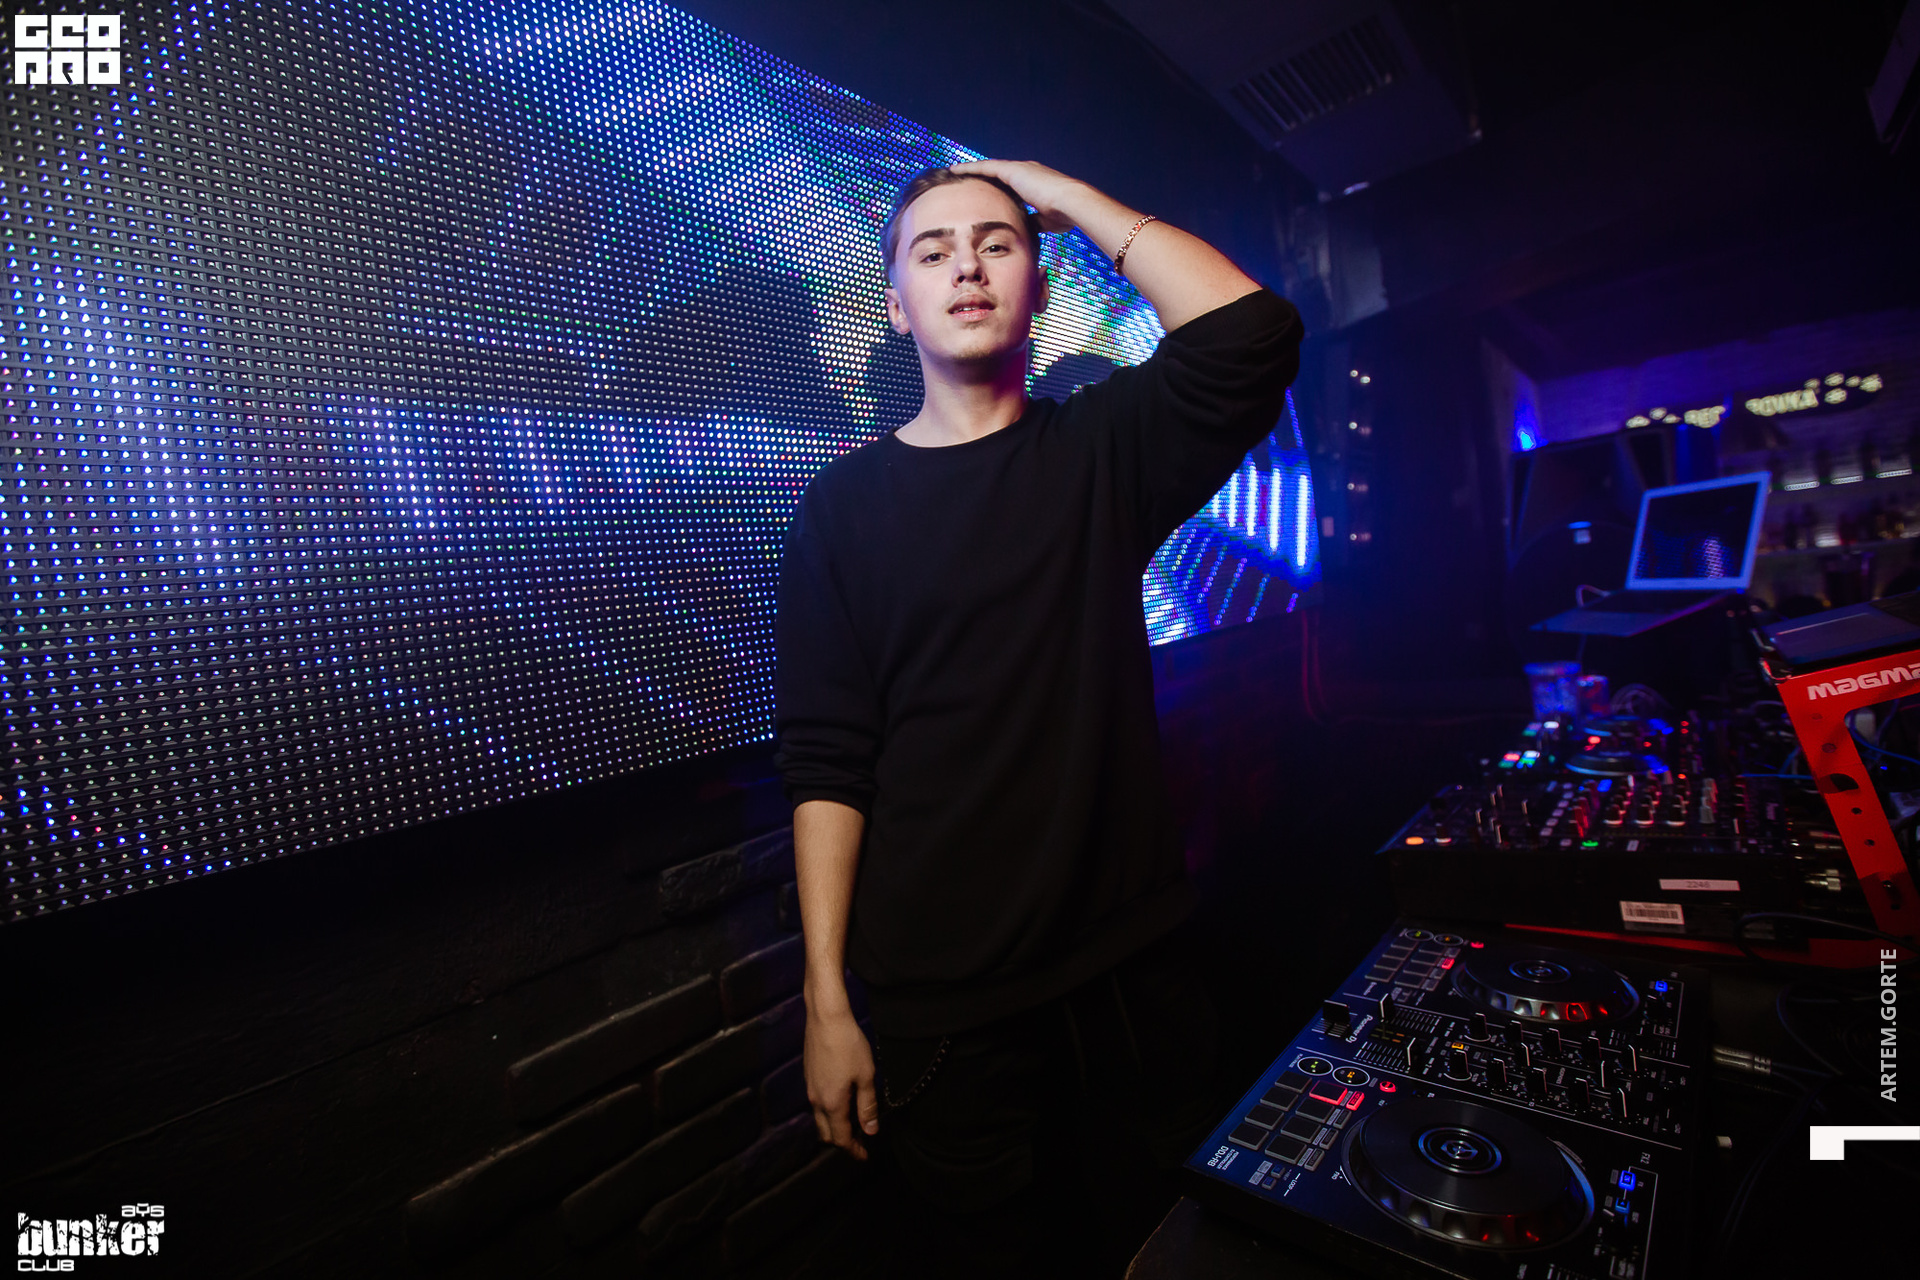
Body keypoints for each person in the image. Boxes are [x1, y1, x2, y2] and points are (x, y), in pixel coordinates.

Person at [773, 159, 1303, 1272]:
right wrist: (826, 1001)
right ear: (896, 304)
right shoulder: (840, 509)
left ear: (1040, 286)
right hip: (942, 1007)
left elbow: (1252, 335)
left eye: (997, 243)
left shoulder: (1097, 448)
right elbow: (828, 760)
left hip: (1132, 973)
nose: (966, 266)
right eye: (933, 251)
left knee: (1172, 1247)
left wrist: (1062, 193)